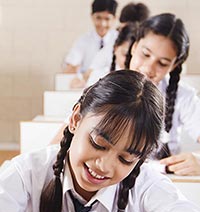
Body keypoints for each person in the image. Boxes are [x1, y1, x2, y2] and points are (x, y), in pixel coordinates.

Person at [1, 70, 200, 212]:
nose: (104, 166)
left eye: (125, 159)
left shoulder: (146, 184)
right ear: (76, 119)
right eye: (98, 143)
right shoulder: (31, 170)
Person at [126, 13, 200, 176]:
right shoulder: (104, 86)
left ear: (174, 66)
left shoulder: (183, 96)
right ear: (134, 47)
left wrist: (197, 160)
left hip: (164, 182)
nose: (149, 68)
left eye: (163, 63)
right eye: (145, 54)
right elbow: (59, 143)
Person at [62, 0, 118, 76]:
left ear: (114, 18)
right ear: (92, 16)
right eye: (98, 18)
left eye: (107, 19)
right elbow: (70, 68)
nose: (102, 24)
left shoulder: (119, 40)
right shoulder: (83, 41)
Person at [86, 22, 137, 86]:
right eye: (125, 55)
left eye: (132, 56)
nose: (128, 61)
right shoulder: (99, 76)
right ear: (115, 48)